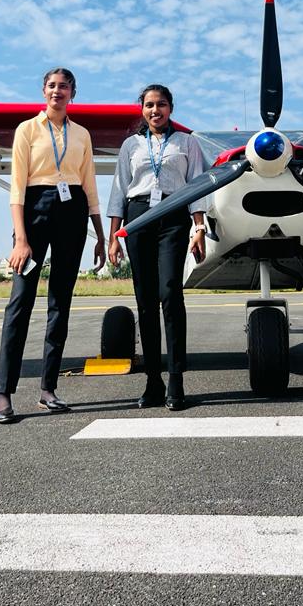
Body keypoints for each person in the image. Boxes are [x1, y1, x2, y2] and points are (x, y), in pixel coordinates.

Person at [0, 68, 106, 422]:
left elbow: (89, 185)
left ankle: (47, 389)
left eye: (65, 86)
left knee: (61, 302)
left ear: (73, 92)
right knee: (21, 302)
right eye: (52, 85)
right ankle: (3, 393)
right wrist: (21, 238)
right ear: (43, 91)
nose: (58, 91)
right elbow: (16, 187)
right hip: (35, 208)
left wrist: (100, 233)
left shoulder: (82, 134)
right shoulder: (27, 130)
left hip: (72, 209)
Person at [107, 84, 206, 411]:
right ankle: (153, 381)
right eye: (149, 105)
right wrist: (114, 237)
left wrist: (199, 226)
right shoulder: (130, 146)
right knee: (145, 301)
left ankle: (176, 379)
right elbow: (119, 190)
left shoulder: (187, 142)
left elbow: (196, 186)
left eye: (161, 104)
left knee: (169, 294)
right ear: (142, 109)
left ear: (171, 108)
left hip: (173, 216)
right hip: (138, 219)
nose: (155, 110)